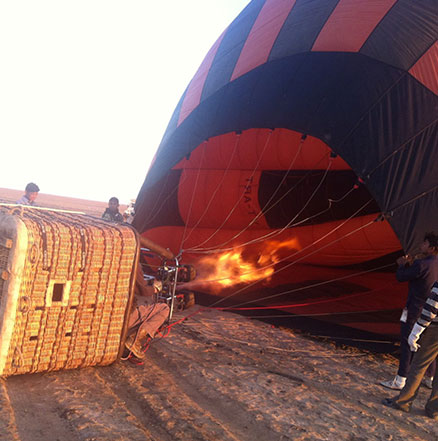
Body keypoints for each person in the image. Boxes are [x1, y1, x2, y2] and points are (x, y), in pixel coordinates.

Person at [380, 233, 438, 390]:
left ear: (432, 248)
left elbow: (401, 277)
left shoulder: (422, 264)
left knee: (407, 342)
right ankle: (430, 378)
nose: (421, 245)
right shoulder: (431, 263)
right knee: (427, 344)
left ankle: (400, 380)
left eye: (424, 243)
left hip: (415, 309)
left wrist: (402, 264)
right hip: (432, 312)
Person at [382, 281, 438, 418]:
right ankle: (434, 409)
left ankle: (404, 402)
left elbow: (433, 305)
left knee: (419, 365)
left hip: (435, 330)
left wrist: (418, 329)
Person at [123, 235, 174, 360]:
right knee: (163, 308)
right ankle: (136, 339)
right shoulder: (133, 264)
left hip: (109, 316)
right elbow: (143, 291)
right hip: (124, 318)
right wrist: (156, 288)